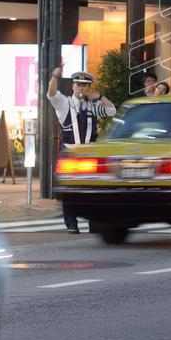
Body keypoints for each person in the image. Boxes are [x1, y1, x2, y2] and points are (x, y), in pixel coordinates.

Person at [47, 67, 117, 233]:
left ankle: (93, 223)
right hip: (70, 154)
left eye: (85, 85)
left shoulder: (93, 105)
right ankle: (71, 223)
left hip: (89, 155)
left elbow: (112, 110)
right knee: (70, 191)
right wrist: (54, 77)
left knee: (92, 191)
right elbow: (51, 94)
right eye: (78, 85)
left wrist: (100, 96)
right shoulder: (65, 103)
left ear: (89, 88)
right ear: (72, 86)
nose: (82, 88)